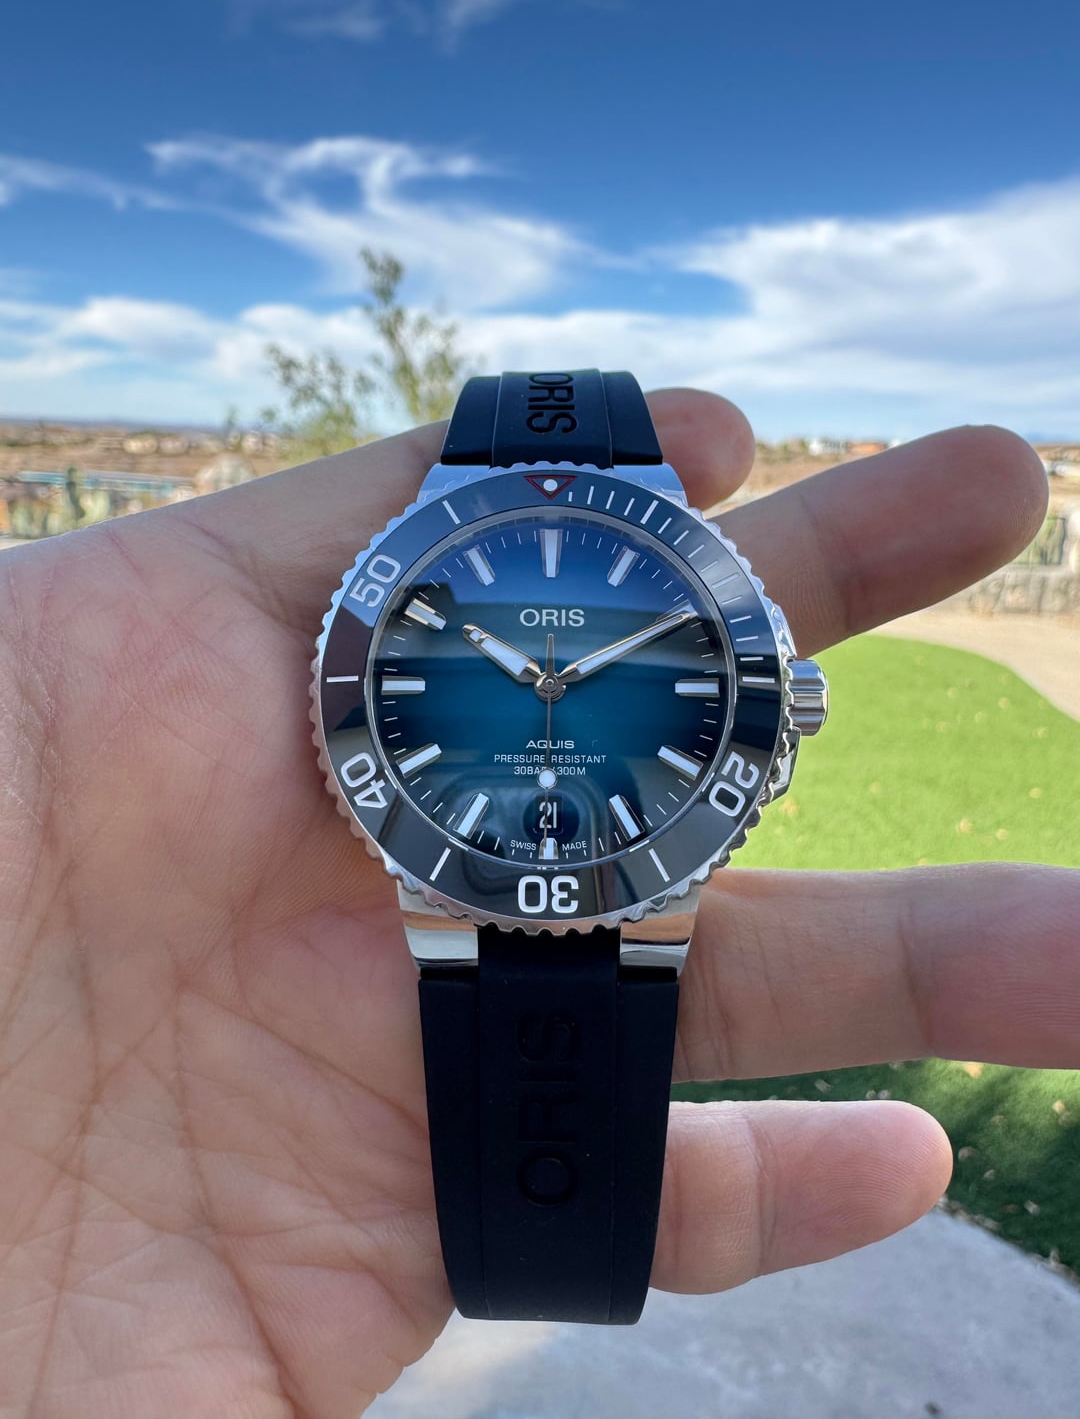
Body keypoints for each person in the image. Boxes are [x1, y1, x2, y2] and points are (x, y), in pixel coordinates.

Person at [0, 389, 1071, 1418]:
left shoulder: (457, 609)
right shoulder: (568, 617)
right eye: (535, 672)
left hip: (536, 853)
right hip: (511, 857)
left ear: (788, 703)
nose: (549, 686)